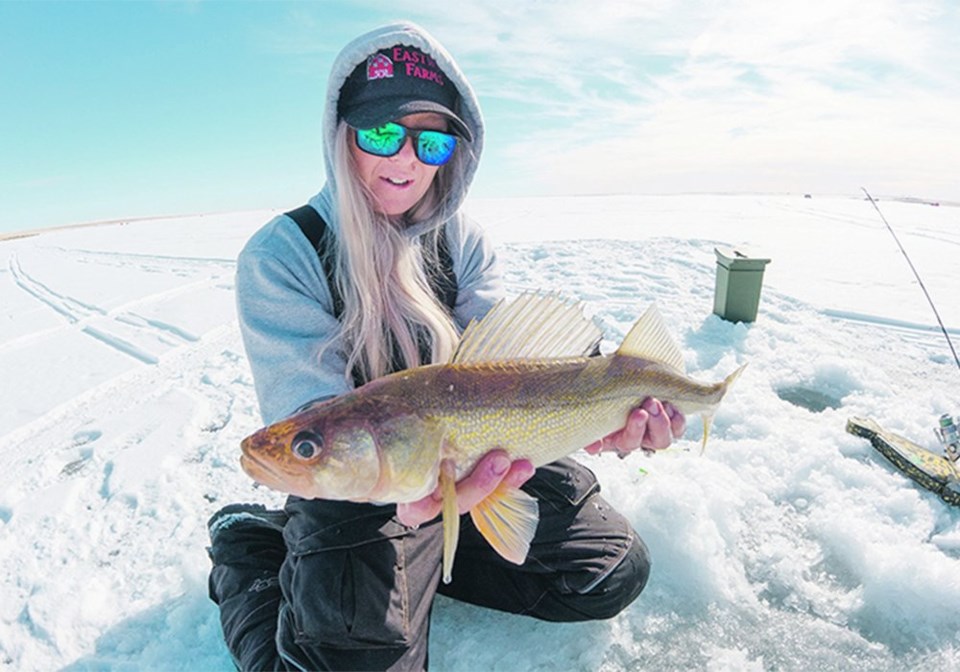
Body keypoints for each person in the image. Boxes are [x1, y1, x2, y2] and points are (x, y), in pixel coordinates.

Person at [207, 21, 685, 671]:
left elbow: (512, 368)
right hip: (362, 485)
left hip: (473, 461)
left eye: (431, 141)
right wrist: (398, 498)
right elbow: (311, 411)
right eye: (381, 132)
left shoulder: (465, 242)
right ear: (338, 133)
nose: (405, 160)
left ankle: (424, 567)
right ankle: (255, 556)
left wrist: (603, 416)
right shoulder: (284, 254)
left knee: (608, 574)